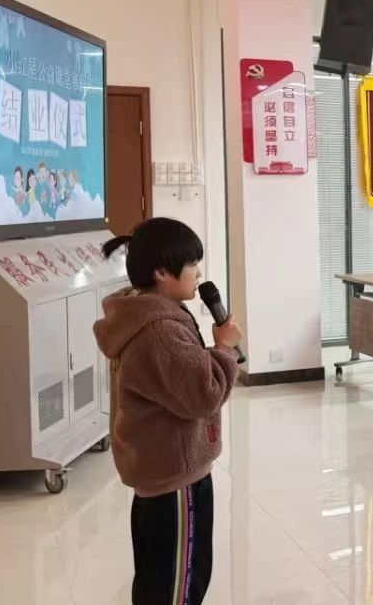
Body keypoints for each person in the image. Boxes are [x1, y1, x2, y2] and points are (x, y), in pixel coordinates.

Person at [92, 218, 241, 605]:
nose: (198, 274)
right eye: (191, 264)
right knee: (179, 586)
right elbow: (204, 394)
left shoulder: (145, 315)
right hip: (177, 481)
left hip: (163, 474)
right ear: (161, 271)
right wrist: (224, 350)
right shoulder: (160, 331)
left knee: (159, 582)